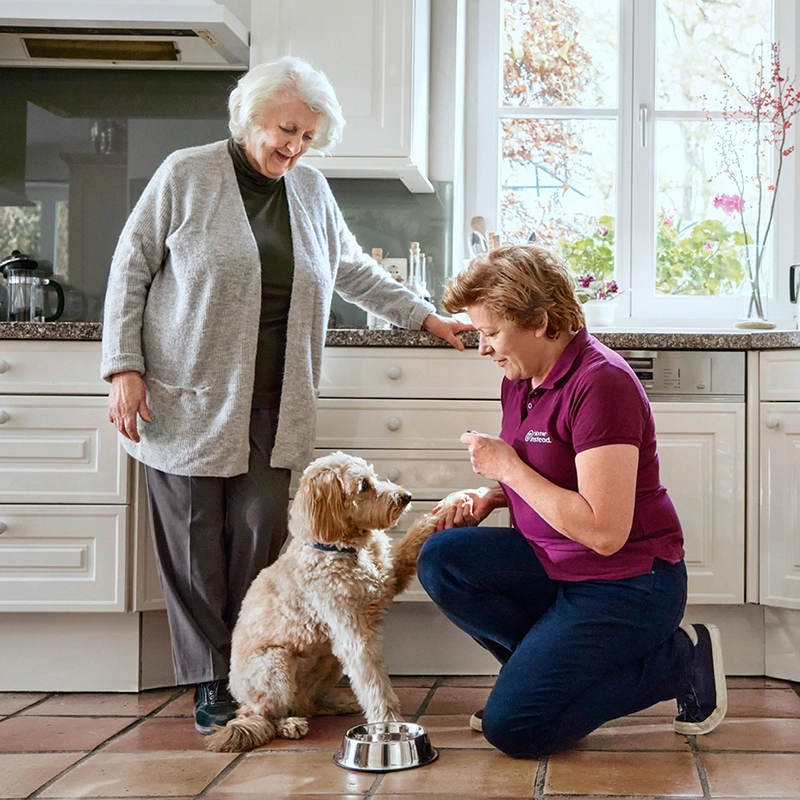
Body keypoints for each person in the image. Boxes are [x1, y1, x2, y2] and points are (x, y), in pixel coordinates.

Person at [100, 55, 471, 734]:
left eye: (308, 137)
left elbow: (352, 270)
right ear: (252, 116)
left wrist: (425, 314)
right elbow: (131, 267)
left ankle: (249, 673)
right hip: (187, 398)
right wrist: (124, 366)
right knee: (193, 544)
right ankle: (210, 681)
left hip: (278, 400)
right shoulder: (188, 174)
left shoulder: (310, 191)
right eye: (287, 130)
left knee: (257, 541)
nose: (295, 147)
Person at [416, 244, 727, 758]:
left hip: (627, 584)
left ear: (538, 320)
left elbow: (605, 531)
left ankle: (680, 659)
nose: (484, 349)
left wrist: (507, 467)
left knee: (516, 730)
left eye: (491, 333)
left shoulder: (601, 383)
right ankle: (537, 681)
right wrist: (491, 494)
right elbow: (549, 473)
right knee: (444, 558)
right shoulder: (522, 378)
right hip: (554, 566)